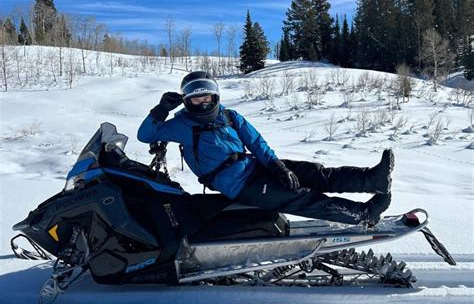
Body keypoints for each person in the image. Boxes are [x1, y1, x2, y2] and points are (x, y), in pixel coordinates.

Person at [137, 71, 394, 226]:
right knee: (301, 197)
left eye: (206, 96)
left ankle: (372, 179)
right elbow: (145, 134)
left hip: (255, 167)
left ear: (215, 96)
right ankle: (364, 214)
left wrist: (277, 166)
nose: (202, 102)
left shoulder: (229, 116)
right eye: (195, 97)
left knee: (314, 173)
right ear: (187, 100)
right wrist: (160, 110)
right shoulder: (180, 124)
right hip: (238, 185)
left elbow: (256, 142)